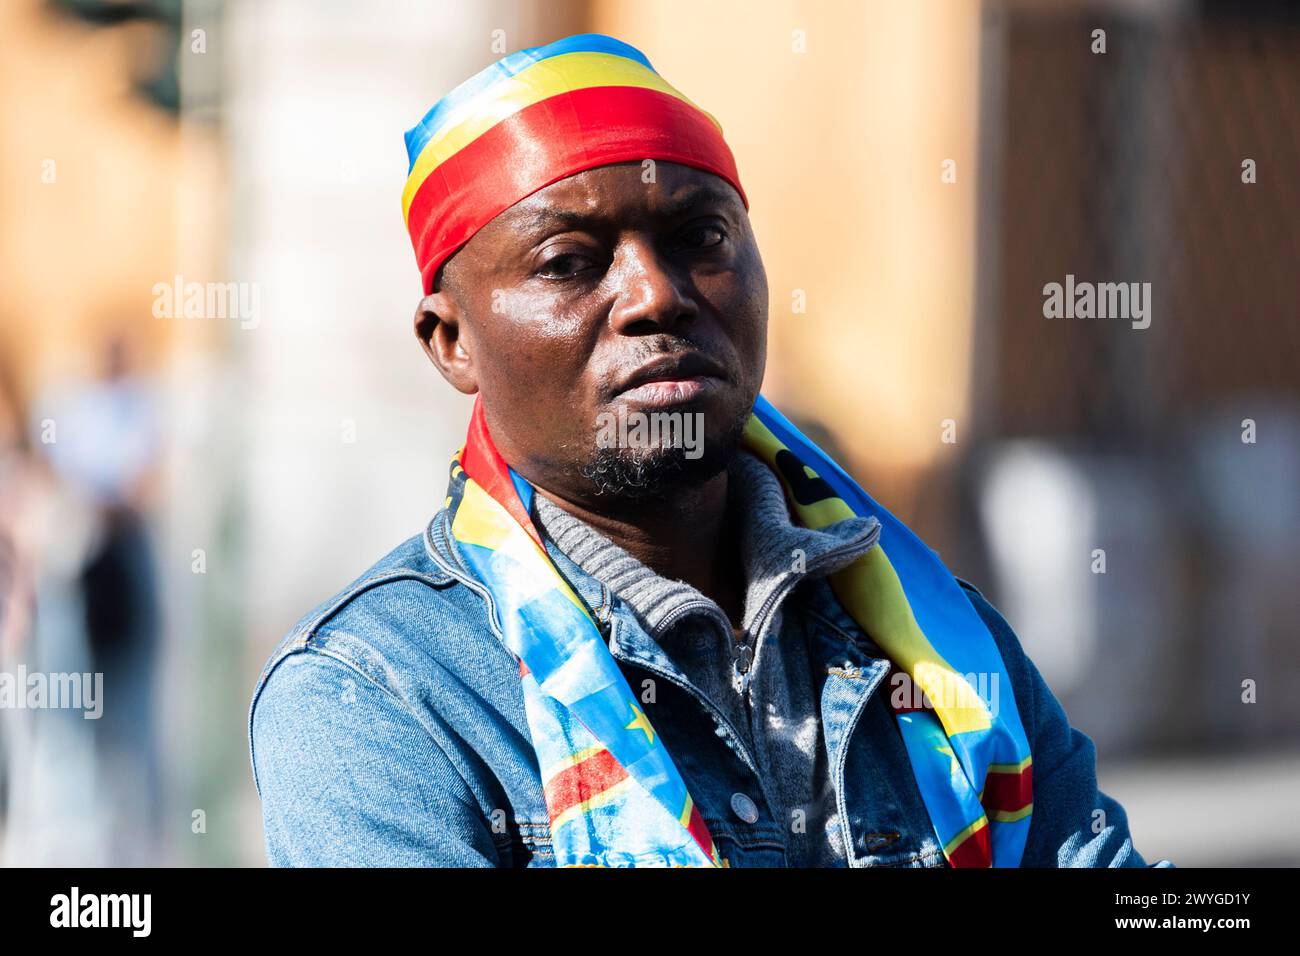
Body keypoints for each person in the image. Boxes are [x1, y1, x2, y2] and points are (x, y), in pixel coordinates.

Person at [249, 33, 1170, 868]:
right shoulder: (377, 697)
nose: (656, 294)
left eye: (702, 238)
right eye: (569, 261)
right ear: (450, 342)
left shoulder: (938, 640)